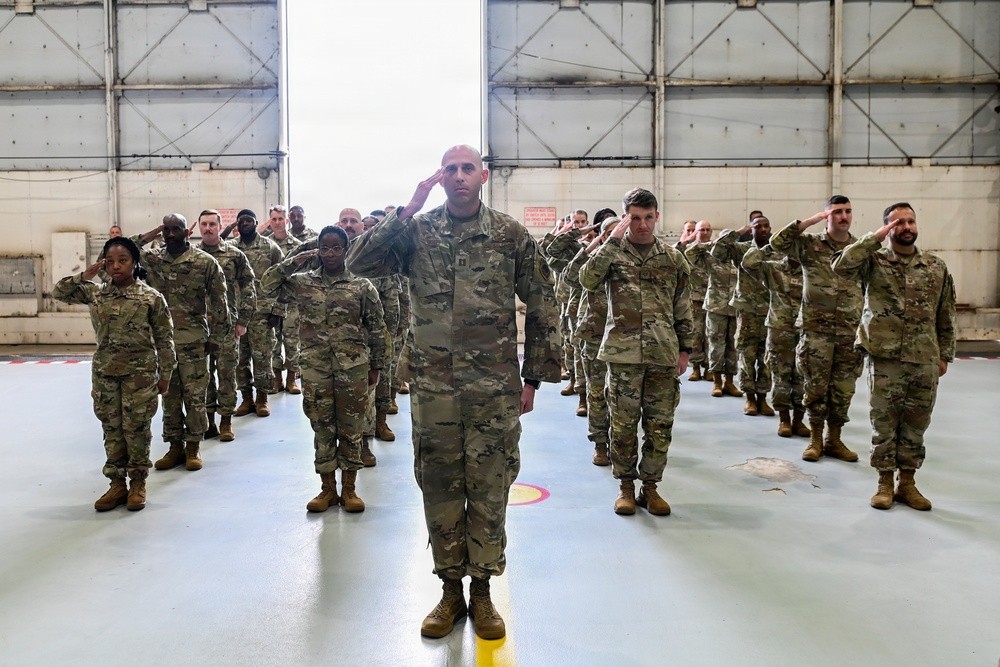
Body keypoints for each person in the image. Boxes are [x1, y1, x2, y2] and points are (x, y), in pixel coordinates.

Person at [346, 144, 560, 641]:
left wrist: (533, 377)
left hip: (493, 388)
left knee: (490, 487)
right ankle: (449, 590)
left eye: (468, 168)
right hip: (434, 387)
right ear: (440, 178)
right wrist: (407, 210)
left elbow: (541, 300)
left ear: (482, 176)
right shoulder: (416, 231)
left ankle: (482, 590)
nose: (459, 176)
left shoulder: (509, 234)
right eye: (450, 169)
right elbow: (358, 263)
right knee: (440, 486)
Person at [832, 203, 956, 510]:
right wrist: (873, 239)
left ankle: (907, 484)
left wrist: (945, 355)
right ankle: (885, 483)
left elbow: (945, 312)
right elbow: (840, 266)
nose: (906, 227)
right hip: (885, 357)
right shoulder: (873, 260)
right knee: (884, 422)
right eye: (898, 222)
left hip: (924, 356)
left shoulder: (935, 266)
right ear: (888, 227)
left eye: (911, 221)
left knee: (917, 423)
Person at [580, 188, 693, 517]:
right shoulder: (613, 254)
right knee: (623, 425)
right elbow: (587, 279)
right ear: (625, 218)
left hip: (663, 353)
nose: (642, 224)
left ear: (657, 216)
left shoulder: (673, 258)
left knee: (660, 425)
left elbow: (683, 307)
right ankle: (626, 487)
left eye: (648, 217)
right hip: (623, 355)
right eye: (635, 218)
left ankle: (651, 487)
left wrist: (685, 350)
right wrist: (612, 241)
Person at [262, 225, 386, 513]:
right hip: (315, 367)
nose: (331, 254)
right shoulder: (303, 282)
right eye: (325, 248)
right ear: (318, 250)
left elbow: (377, 328)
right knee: (322, 426)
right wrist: (293, 261)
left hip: (352, 368)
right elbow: (267, 284)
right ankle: (328, 489)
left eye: (336, 248)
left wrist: (377, 366)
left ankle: (350, 489)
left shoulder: (361, 286)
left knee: (352, 428)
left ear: (346, 250)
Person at [53, 237, 176, 511]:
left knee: (137, 429)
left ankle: (138, 483)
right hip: (105, 374)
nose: (116, 266)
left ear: (134, 263)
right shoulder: (96, 293)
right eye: (110, 261)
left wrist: (166, 374)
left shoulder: (151, 297)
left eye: (123, 260)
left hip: (139, 376)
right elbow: (58, 292)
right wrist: (83, 276)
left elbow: (165, 339)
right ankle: (117, 484)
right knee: (111, 429)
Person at [770, 196, 864, 463]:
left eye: (848, 211)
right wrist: (809, 222)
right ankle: (815, 439)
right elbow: (777, 243)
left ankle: (834, 439)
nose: (843, 216)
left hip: (849, 331)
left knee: (843, 389)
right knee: (814, 387)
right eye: (837, 212)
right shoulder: (810, 245)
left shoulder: (858, 249)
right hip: (816, 331)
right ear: (827, 216)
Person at [136, 214, 229, 472]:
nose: (171, 234)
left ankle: (193, 446)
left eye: (176, 229)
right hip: (163, 343)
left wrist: (216, 337)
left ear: (187, 232)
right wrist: (148, 235)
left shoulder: (204, 262)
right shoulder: (153, 259)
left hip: (194, 341)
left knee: (195, 396)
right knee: (170, 397)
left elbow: (220, 302)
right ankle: (174, 446)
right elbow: (121, 250)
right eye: (166, 229)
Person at [196, 209, 256, 442]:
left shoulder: (235, 255)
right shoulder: (192, 255)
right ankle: (209, 421)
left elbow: (249, 286)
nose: (208, 228)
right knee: (203, 375)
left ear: (220, 227)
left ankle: (226, 421)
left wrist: (243, 320)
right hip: (200, 325)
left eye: (212, 224)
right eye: (204, 224)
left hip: (227, 325)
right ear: (199, 227)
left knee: (227, 373)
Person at [742, 243, 811, 438]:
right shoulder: (774, 268)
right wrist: (769, 246)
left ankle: (799, 420)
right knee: (780, 376)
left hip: (805, 328)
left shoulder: (812, 269)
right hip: (780, 329)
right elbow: (748, 263)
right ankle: (784, 419)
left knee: (803, 376)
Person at [712, 217, 775, 416]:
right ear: (751, 230)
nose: (763, 229)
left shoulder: (776, 250)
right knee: (746, 356)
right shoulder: (742, 249)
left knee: (766, 358)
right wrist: (739, 232)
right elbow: (718, 251)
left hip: (771, 311)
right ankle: (750, 398)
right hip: (747, 311)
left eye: (766, 226)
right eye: (758, 226)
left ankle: (763, 398)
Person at [573, 215, 620, 465]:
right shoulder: (594, 258)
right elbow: (571, 275)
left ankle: (619, 444)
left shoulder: (632, 259)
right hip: (595, 335)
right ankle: (600, 443)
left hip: (624, 338)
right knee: (597, 393)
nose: (617, 238)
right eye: (611, 233)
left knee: (621, 397)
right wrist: (597, 245)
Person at [229, 209, 285, 417]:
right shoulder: (230, 249)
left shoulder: (270, 247)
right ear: (237, 224)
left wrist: (278, 310)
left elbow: (283, 279)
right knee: (239, 359)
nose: (245, 223)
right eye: (241, 221)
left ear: (256, 222)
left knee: (263, 358)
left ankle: (262, 398)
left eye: (249, 220)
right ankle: (246, 399)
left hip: (263, 314)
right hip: (236, 315)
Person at [685, 221, 741, 398]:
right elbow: (690, 253)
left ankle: (729, 382)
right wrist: (712, 244)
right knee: (715, 343)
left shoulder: (739, 260)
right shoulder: (711, 258)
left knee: (733, 346)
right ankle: (716, 381)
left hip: (735, 307)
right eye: (724, 242)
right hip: (716, 307)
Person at [265, 205, 303, 394]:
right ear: (270, 222)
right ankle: (276, 379)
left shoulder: (297, 245)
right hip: (271, 301)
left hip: (291, 301)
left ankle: (291, 379)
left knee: (292, 341)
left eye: (281, 219)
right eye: (274, 219)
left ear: (286, 221)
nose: (278, 222)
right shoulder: (265, 245)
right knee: (273, 342)